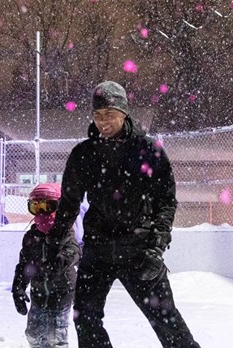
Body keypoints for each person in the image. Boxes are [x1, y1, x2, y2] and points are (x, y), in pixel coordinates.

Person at [46, 81, 201, 348]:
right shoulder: (83, 155)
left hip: (138, 249)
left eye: (109, 115)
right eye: (97, 116)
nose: (103, 122)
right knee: (85, 318)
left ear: (124, 113)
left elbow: (166, 202)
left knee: (166, 319)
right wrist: (54, 242)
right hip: (97, 250)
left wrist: (157, 247)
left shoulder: (148, 151)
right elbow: (69, 204)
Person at [12, 183, 80, 348]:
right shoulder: (31, 237)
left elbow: (74, 251)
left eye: (47, 206)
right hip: (39, 293)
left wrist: (58, 263)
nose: (42, 213)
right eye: (36, 207)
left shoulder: (64, 233)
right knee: (34, 334)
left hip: (62, 292)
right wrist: (18, 288)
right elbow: (23, 265)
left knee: (55, 336)